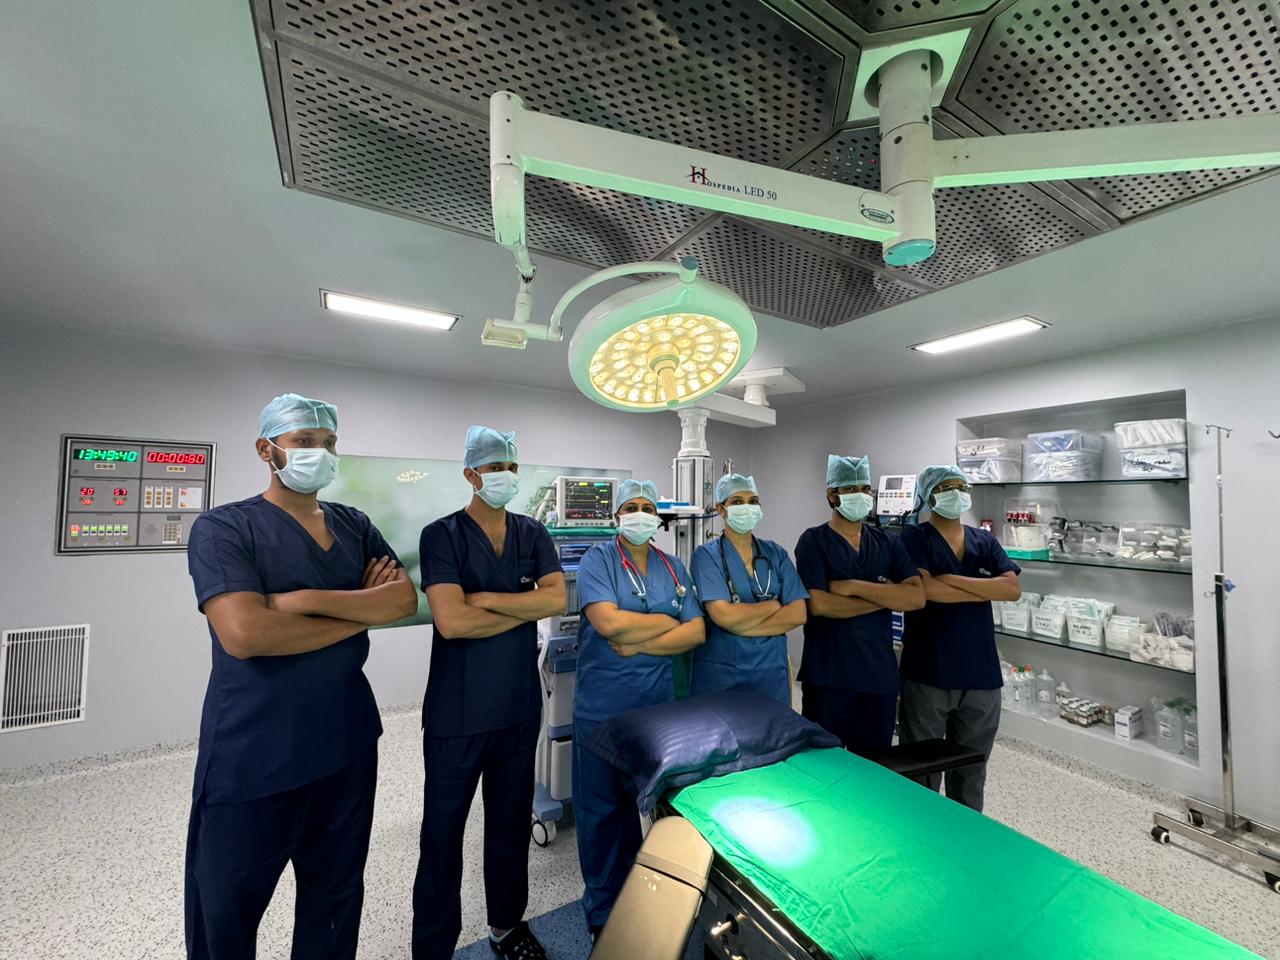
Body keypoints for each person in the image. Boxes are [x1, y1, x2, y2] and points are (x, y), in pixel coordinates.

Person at [184, 393, 418, 960]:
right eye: (305, 441)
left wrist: (304, 600)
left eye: (329, 442)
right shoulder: (224, 528)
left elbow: (403, 601)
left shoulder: (353, 524)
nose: (321, 452)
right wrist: (359, 608)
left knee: (335, 898)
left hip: (345, 743)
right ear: (267, 450)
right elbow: (246, 634)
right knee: (226, 913)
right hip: (254, 751)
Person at [412, 426, 566, 960]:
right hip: (457, 714)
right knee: (442, 834)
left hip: (517, 709)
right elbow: (452, 622)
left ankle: (505, 926)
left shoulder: (533, 533)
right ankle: (432, 947)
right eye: (495, 467)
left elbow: (556, 600)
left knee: (508, 825)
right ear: (471, 474)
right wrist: (522, 604)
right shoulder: (441, 535)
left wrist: (485, 599)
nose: (505, 476)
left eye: (511, 467)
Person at [573, 479, 705, 940]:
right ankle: (603, 913)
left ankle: (651, 899)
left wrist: (638, 642)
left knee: (660, 812)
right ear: (617, 516)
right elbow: (607, 622)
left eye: (648, 507)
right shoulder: (598, 560)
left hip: (658, 712)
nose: (641, 514)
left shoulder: (673, 566)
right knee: (603, 816)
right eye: (631, 507)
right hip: (604, 710)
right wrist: (667, 622)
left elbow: (696, 632)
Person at [899, 464, 1022, 812]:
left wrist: (950, 579)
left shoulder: (984, 540)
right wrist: (985, 588)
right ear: (928, 496)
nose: (956, 493)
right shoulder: (913, 538)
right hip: (928, 671)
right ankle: (920, 833)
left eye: (961, 486)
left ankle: (965, 834)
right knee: (921, 771)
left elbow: (1012, 589)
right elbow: (924, 591)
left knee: (971, 771)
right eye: (946, 487)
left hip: (981, 675)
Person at [793, 455, 925, 755]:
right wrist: (886, 596)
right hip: (829, 675)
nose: (861, 495)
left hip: (878, 676)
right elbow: (819, 605)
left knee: (873, 767)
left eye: (865, 488)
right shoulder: (813, 541)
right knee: (826, 766)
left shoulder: (887, 542)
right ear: (832, 495)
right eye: (851, 489)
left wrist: (853, 587)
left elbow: (916, 598)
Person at [690, 473, 808, 705]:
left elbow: (798, 613)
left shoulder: (775, 553)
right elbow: (723, 615)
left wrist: (739, 626)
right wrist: (773, 605)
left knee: (773, 727)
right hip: (721, 675)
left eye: (753, 501)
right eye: (737, 501)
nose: (747, 507)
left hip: (770, 674)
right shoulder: (706, 556)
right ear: (721, 509)